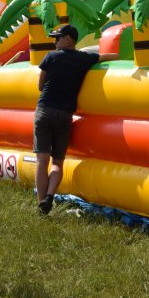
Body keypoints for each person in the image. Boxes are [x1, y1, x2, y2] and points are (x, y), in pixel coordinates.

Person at [35, 25, 118, 215]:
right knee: (57, 163)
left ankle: (41, 203)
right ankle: (49, 197)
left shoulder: (50, 57)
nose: (55, 42)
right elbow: (109, 56)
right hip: (65, 114)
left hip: (45, 110)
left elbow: (40, 85)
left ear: (68, 38)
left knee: (42, 160)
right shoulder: (84, 58)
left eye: (58, 38)